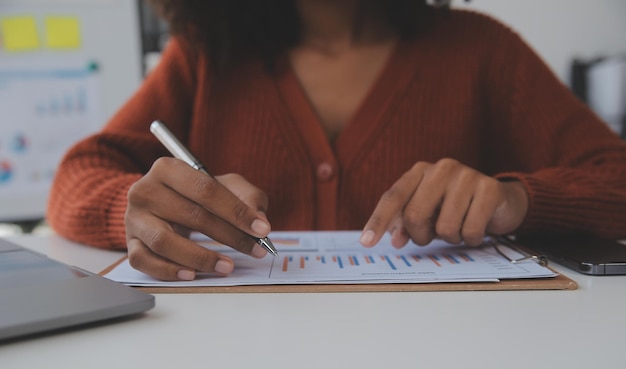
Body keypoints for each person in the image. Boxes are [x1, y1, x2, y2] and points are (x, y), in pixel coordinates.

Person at [47, 0, 626, 281]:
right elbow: (81, 172)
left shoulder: (482, 50)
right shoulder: (205, 55)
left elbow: (614, 172)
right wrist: (135, 207)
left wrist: (515, 199)